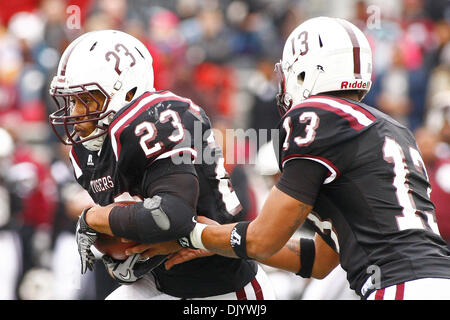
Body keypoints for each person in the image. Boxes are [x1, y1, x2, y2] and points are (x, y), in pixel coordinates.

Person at [130, 17, 450, 300]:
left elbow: (262, 238)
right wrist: (216, 241)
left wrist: (191, 233)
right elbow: (319, 260)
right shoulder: (390, 127)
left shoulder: (317, 115)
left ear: (306, 72)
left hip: (399, 285)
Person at [48, 30, 275, 300]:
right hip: (159, 282)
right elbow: (130, 233)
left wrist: (92, 218)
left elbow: (172, 216)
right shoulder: (87, 153)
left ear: (127, 92)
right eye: (72, 100)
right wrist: (118, 252)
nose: (74, 113)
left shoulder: (156, 121)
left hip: (221, 285)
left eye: (85, 100)